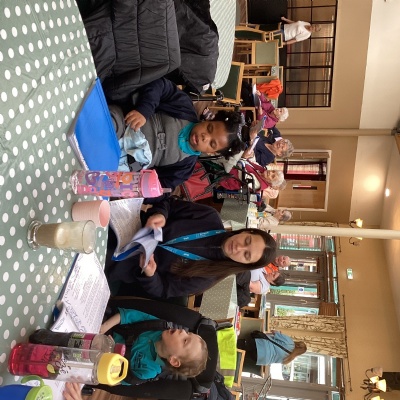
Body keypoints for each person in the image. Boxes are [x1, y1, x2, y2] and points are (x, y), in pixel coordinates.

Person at [106, 196, 277, 298]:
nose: (239, 248)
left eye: (246, 255)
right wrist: (161, 214)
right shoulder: (209, 217)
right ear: (246, 231)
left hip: (119, 263)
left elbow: (163, 290)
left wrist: (150, 275)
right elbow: (170, 203)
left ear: (245, 265)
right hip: (120, 226)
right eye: (247, 241)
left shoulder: (207, 277)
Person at [111, 77, 245, 192]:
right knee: (111, 121)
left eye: (212, 143)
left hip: (127, 165)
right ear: (208, 119)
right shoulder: (184, 106)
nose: (205, 137)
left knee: (113, 182)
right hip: (124, 125)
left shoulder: (184, 169)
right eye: (209, 128)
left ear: (211, 153)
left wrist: (138, 188)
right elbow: (161, 85)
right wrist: (144, 110)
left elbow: (160, 188)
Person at [100, 308, 208, 383]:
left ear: (174, 360)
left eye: (185, 340)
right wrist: (104, 327)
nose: (183, 331)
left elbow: (116, 379)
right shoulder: (157, 325)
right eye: (188, 333)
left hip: (101, 358)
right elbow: (126, 315)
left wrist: (111, 353)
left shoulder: (149, 371)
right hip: (107, 327)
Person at [237, 330, 307, 365]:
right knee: (238, 353)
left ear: (298, 344)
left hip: (262, 346)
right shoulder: (289, 359)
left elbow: (274, 332)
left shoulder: (290, 342)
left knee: (238, 344)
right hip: (261, 359)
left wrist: (279, 333)